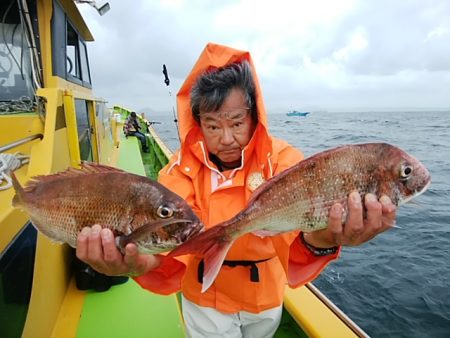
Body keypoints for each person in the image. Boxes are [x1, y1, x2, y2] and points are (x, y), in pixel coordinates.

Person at [76, 43, 397, 337]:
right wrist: (136, 264)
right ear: (197, 123)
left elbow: (294, 236)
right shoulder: (178, 171)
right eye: (213, 125)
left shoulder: (285, 162)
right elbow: (171, 248)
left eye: (236, 123)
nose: (226, 138)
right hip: (204, 301)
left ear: (255, 117)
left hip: (266, 297)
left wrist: (327, 237)